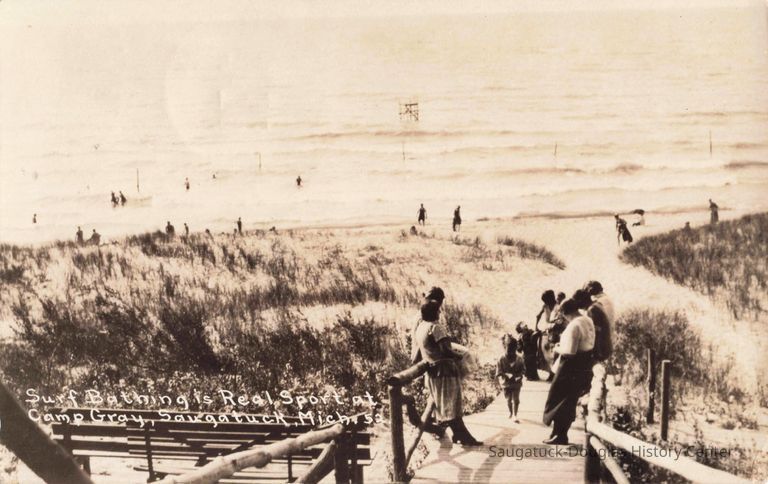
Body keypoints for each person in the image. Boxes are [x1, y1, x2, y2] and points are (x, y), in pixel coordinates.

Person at [411, 288, 482, 446]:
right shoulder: (435, 327)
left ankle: (458, 435)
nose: (440, 313)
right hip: (445, 371)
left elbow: (419, 351)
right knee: (452, 406)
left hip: (433, 372)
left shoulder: (420, 328)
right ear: (436, 312)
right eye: (439, 310)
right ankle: (464, 436)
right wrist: (458, 357)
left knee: (446, 405)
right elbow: (446, 350)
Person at [542, 298, 595, 445]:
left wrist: (557, 348)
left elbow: (570, 352)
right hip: (583, 364)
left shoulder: (574, 325)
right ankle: (558, 433)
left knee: (559, 400)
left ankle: (560, 435)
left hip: (570, 366)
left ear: (565, 313)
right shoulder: (587, 320)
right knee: (568, 401)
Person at [496, 335, 525, 422]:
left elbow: (523, 370)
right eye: (508, 350)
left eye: (513, 350)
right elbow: (498, 372)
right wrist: (505, 375)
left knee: (516, 400)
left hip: (516, 383)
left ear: (515, 349)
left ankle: (515, 415)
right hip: (506, 383)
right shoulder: (501, 359)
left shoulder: (519, 359)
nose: (511, 353)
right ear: (504, 347)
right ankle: (511, 412)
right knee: (509, 400)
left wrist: (519, 376)